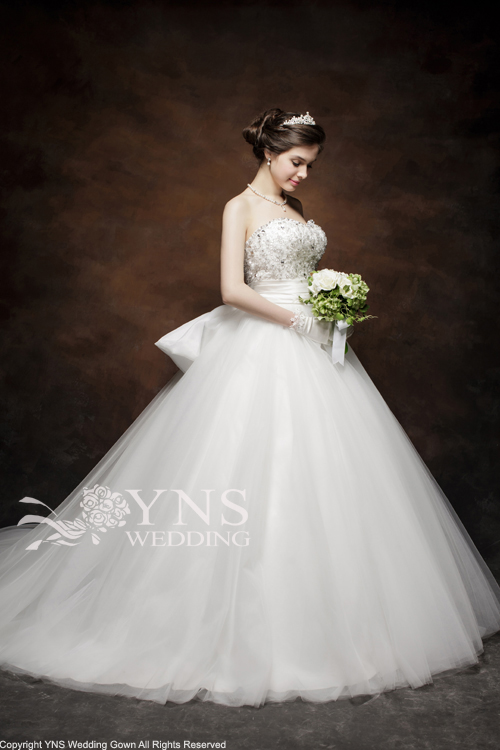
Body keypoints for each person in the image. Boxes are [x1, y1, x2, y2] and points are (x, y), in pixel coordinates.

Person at [0, 107, 499, 709]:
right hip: (266, 342)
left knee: (331, 476)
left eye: (310, 166)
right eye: (297, 162)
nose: (303, 175)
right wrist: (298, 319)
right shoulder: (238, 208)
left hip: (314, 347)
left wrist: (330, 308)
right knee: (243, 466)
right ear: (268, 152)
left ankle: (333, 623)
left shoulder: (296, 209)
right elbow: (232, 290)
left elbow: (304, 274)